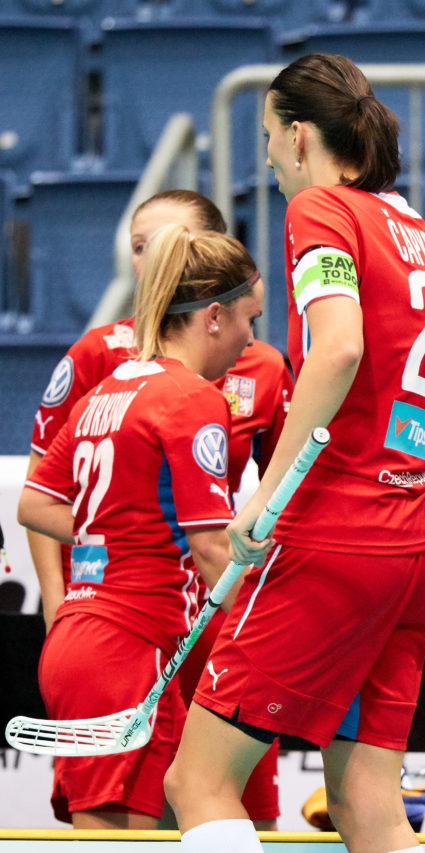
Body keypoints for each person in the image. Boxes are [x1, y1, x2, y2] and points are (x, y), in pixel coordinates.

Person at [164, 53, 425, 853]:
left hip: (333, 538)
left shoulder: (322, 212)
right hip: (409, 547)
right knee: (370, 802)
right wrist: (401, 488)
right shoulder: (421, 235)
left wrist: (264, 496)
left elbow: (336, 350)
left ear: (299, 136)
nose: (265, 154)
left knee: (196, 781)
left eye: (266, 135)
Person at [22, 189, 289, 829]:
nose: (254, 337)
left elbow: (39, 501)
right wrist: (280, 623)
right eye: (249, 320)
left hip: (90, 638)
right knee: (125, 838)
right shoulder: (191, 396)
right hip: (133, 640)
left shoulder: (114, 384)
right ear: (216, 316)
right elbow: (208, 550)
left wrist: (125, 530)